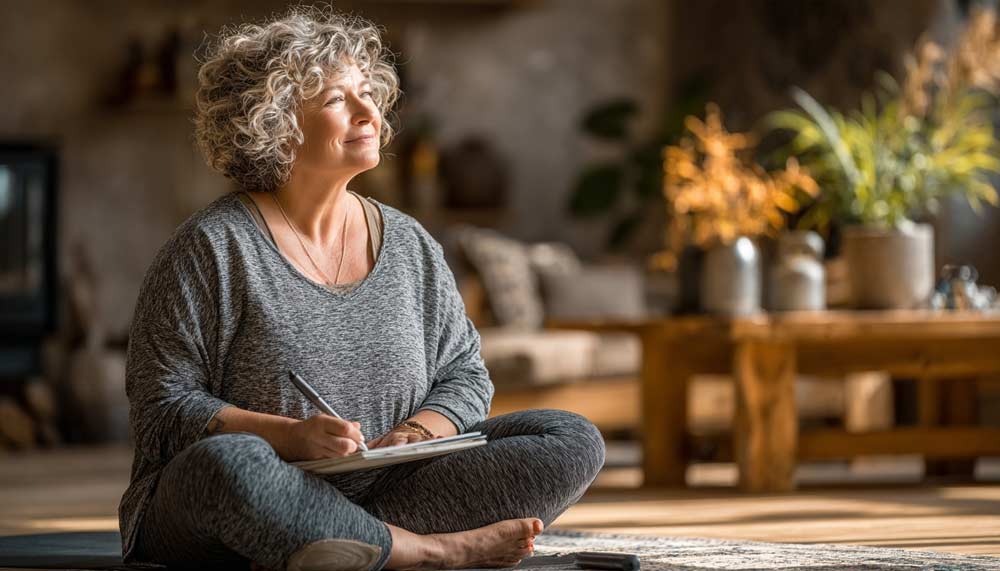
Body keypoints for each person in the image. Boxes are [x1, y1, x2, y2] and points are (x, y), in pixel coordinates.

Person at [118, 6, 606, 570]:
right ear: (273, 124)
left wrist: (416, 433)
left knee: (568, 437)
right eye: (335, 100)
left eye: (365, 92)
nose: (368, 110)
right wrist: (292, 438)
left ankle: (334, 543)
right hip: (241, 495)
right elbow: (162, 410)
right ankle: (425, 551)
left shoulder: (408, 242)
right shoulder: (210, 248)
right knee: (230, 465)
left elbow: (466, 374)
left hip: (390, 489)